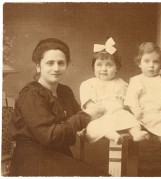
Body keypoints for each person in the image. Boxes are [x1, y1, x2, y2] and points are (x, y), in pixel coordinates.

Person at [9, 38, 108, 176]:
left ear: (67, 65)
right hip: (32, 160)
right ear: (38, 66)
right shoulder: (31, 95)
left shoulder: (65, 91)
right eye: (50, 63)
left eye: (61, 63)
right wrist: (86, 116)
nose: (56, 68)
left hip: (58, 156)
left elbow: (78, 116)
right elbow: (51, 136)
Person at [79, 37, 150, 144]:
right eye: (99, 65)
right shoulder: (88, 84)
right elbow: (87, 103)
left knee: (130, 119)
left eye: (109, 65)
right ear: (93, 67)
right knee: (94, 127)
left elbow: (130, 101)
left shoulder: (121, 84)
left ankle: (136, 134)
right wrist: (94, 108)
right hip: (99, 116)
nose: (103, 69)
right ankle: (115, 136)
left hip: (118, 115)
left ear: (116, 68)